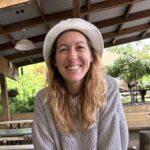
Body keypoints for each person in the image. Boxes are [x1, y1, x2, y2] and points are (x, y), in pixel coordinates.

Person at [32, 18, 129, 150]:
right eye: (63, 50)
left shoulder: (108, 88)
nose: (72, 57)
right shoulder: (43, 99)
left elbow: (112, 144)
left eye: (80, 47)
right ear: (54, 60)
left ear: (91, 55)